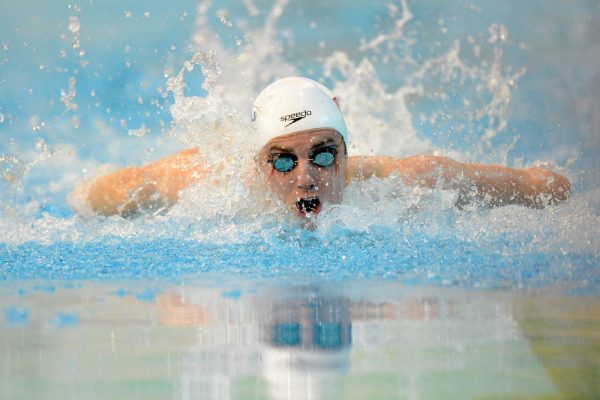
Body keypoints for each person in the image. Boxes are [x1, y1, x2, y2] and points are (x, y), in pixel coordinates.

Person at [69, 77, 571, 219]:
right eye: (283, 160)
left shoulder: (407, 179)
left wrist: (548, 186)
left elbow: (545, 186)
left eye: (325, 154)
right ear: (258, 164)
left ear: (347, 154)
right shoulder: (203, 184)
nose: (306, 176)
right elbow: (90, 196)